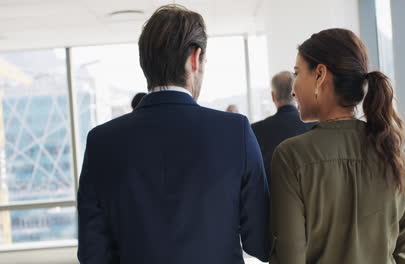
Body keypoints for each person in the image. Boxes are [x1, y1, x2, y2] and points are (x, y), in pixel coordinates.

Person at [77, 5, 270, 264]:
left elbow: (92, 254)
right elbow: (260, 242)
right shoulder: (235, 132)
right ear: (194, 58)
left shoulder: (101, 142)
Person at [270, 28, 405, 264]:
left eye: (298, 73)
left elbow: (290, 258)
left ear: (320, 74)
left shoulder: (291, 157)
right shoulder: (396, 156)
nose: (293, 90)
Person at [251, 71, 316, 184]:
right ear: (295, 94)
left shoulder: (255, 131)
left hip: (272, 199)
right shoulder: (314, 126)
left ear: (273, 96)